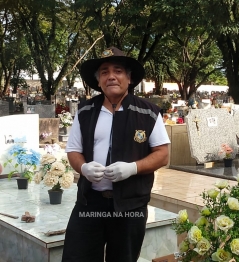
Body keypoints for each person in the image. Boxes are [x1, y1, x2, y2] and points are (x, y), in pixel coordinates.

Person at [62, 47, 170, 262]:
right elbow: (73, 150)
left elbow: (162, 154)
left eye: (118, 71)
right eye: (104, 72)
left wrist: (133, 168)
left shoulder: (148, 112)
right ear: (99, 81)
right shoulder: (85, 111)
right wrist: (83, 168)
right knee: (77, 256)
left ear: (129, 78)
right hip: (89, 203)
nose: (111, 76)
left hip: (130, 206)